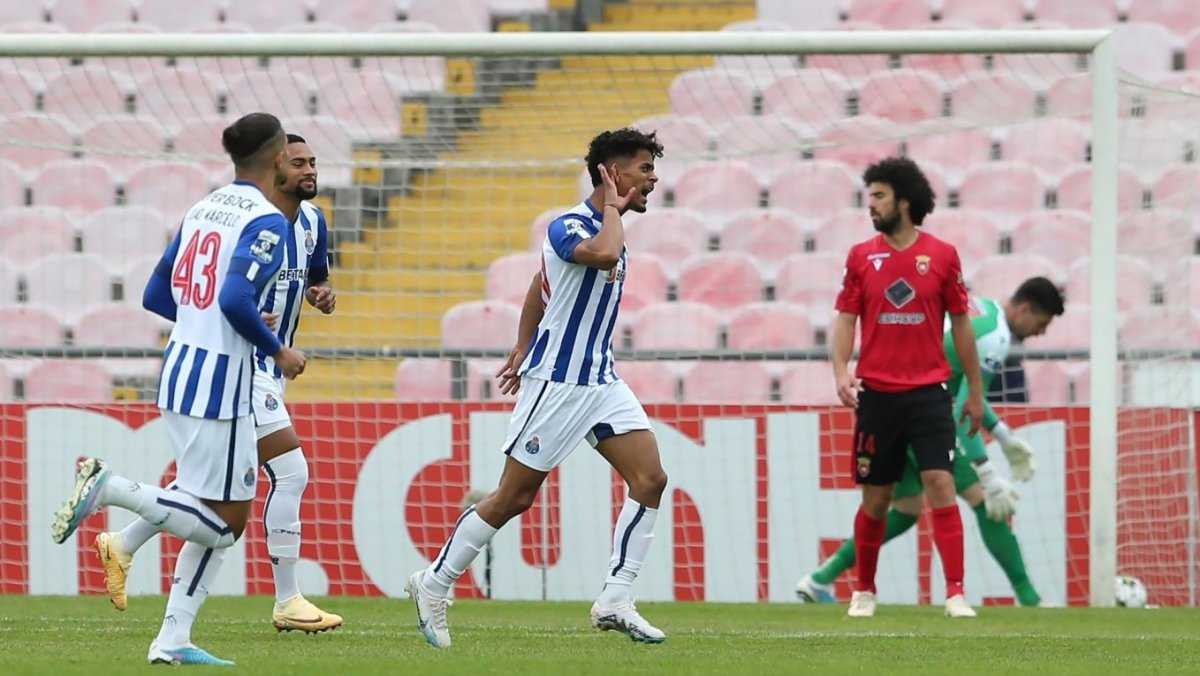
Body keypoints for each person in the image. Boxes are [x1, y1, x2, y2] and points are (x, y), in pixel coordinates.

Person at [50, 112, 306, 665]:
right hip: (222, 385)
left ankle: (173, 639)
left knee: (200, 509)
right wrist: (277, 349)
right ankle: (109, 489)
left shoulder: (204, 206)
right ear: (279, 157)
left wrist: (198, 320)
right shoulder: (269, 221)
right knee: (225, 524)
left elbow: (155, 293)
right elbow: (237, 299)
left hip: (180, 370)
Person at [404, 128, 666, 648]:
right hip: (559, 383)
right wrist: (613, 206)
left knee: (651, 478)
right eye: (643, 169)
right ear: (612, 174)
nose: (653, 178)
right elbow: (603, 256)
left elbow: (539, 285)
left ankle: (616, 598)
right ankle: (433, 583)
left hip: (601, 380)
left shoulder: (611, 226)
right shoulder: (572, 224)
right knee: (514, 496)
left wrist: (521, 342)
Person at [91, 134, 341, 633]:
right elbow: (224, 297)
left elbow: (315, 277)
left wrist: (320, 293)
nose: (309, 170)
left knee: (212, 493)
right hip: (245, 369)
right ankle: (288, 598)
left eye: (313, 161)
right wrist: (243, 332)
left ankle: (134, 559)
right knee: (288, 472)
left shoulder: (312, 223)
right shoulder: (252, 219)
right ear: (276, 167)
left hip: (263, 369)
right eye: (298, 162)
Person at [798, 277, 1066, 608]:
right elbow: (961, 412)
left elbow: (968, 396)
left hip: (894, 404)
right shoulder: (996, 339)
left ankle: (819, 578)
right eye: (1042, 323)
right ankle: (1029, 599)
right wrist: (986, 472)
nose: (1041, 333)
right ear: (1025, 309)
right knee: (986, 501)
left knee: (907, 508)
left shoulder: (986, 310)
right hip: (920, 414)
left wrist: (1003, 436)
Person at [831, 156, 984, 619]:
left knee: (940, 482)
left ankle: (955, 593)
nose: (871, 203)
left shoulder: (942, 255)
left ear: (904, 200)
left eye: (879, 195)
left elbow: (961, 324)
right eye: (870, 195)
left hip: (929, 392)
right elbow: (845, 319)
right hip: (877, 394)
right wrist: (840, 369)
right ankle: (864, 590)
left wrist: (975, 390)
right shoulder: (861, 256)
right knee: (877, 496)